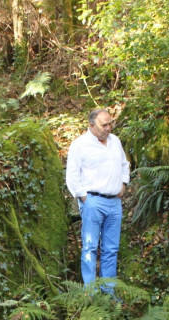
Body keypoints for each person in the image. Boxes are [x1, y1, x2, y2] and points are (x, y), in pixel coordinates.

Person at [65, 108, 131, 287]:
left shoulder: (115, 141)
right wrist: (84, 198)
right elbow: (72, 175)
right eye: (104, 125)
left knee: (111, 249)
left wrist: (123, 184)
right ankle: (90, 292)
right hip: (93, 201)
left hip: (114, 203)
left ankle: (108, 291)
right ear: (91, 125)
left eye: (110, 123)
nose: (108, 128)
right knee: (90, 247)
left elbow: (125, 165)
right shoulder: (80, 145)